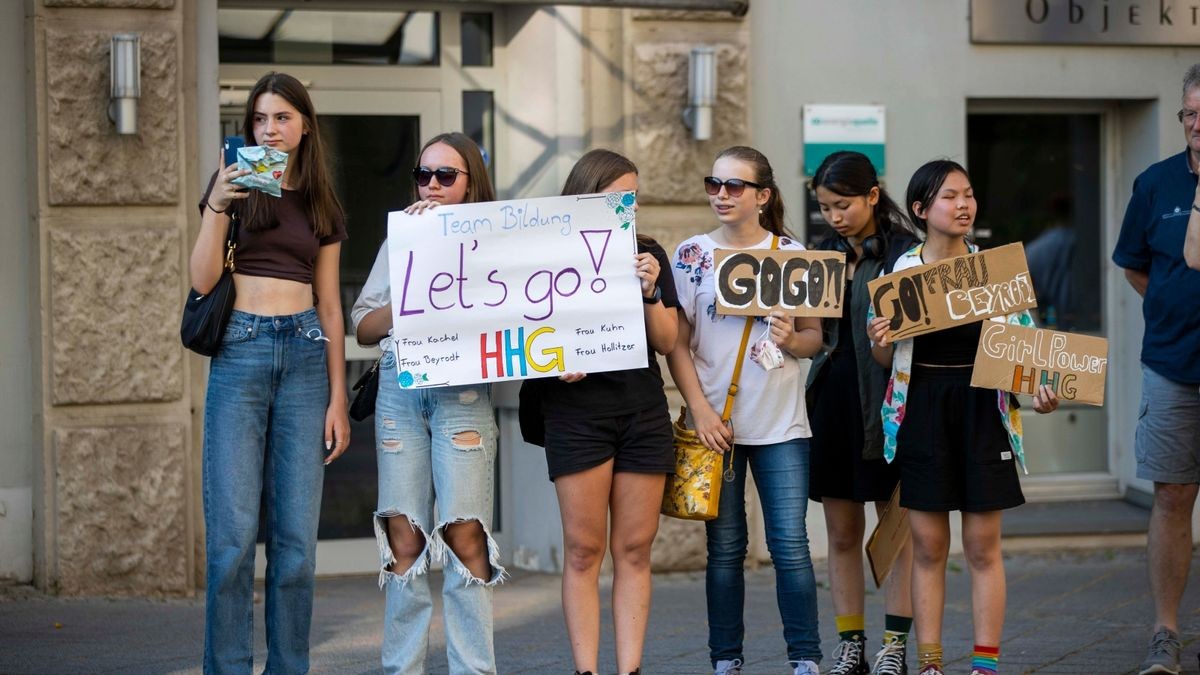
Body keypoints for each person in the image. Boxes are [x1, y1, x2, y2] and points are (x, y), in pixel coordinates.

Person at [867, 160, 1059, 675]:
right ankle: (930, 664)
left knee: (982, 544)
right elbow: (887, 362)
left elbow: (1027, 352)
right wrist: (879, 342)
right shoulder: (899, 274)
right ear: (921, 209)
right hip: (923, 406)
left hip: (983, 407)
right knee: (929, 545)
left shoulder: (996, 271)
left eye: (968, 194)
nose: (963, 205)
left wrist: (1042, 388)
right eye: (950, 196)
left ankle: (984, 664)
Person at [191, 71, 349, 673]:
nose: (270, 130)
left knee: (296, 551)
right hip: (242, 349)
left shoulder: (320, 199)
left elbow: (331, 305)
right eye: (259, 119)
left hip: (307, 355)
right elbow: (202, 281)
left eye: (281, 118)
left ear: (305, 125)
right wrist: (216, 204)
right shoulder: (236, 186)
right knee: (232, 544)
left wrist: (338, 398)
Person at [519, 149, 678, 675]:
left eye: (630, 197)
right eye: (613, 197)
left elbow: (667, 339)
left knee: (635, 548)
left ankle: (629, 669)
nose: (624, 207)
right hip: (576, 415)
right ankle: (586, 670)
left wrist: (652, 289)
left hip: (641, 412)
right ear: (583, 197)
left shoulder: (647, 253)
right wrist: (554, 363)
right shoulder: (542, 252)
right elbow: (522, 332)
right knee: (584, 550)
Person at [666, 146, 824, 675]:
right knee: (726, 549)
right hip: (717, 426)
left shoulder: (791, 253)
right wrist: (700, 412)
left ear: (763, 195)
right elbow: (676, 345)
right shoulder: (691, 255)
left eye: (735, 187)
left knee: (791, 545)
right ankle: (725, 659)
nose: (722, 195)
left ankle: (805, 659)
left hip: (782, 424)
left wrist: (791, 337)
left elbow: (812, 340)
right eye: (715, 184)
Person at [352, 133, 504, 675]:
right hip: (400, 388)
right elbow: (365, 326)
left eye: (446, 176)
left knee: (466, 536)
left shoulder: (498, 242)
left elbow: (518, 320)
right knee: (405, 538)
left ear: (471, 185)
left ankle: (473, 669)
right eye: (424, 175)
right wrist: (414, 265)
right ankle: (402, 669)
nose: (433, 185)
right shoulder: (401, 238)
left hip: (462, 394)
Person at [806, 151, 919, 675]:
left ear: (873, 196)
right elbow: (813, 338)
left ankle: (895, 646)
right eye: (826, 207)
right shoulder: (820, 257)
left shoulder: (906, 254)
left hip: (890, 406)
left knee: (896, 528)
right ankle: (851, 644)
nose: (835, 217)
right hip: (834, 405)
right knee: (842, 532)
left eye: (843, 205)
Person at [1112, 63, 1200, 675]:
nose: (1197, 126)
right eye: (1189, 114)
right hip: (1171, 365)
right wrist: (1173, 310)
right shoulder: (1157, 182)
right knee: (1171, 494)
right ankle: (1165, 634)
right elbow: (1135, 266)